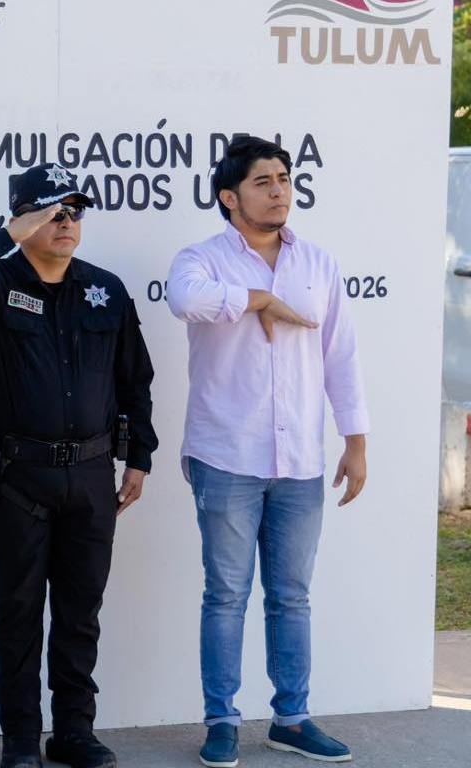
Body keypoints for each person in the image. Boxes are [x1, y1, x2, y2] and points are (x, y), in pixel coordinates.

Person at [0, 163, 157, 768]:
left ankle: (74, 730)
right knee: (20, 608)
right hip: (19, 476)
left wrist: (139, 457)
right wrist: (8, 235)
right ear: (25, 217)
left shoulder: (104, 288)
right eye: (54, 211)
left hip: (92, 474)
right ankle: (22, 737)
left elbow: (136, 379)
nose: (67, 222)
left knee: (82, 609)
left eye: (76, 211)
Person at [167, 136, 368, 767]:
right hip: (226, 453)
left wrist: (355, 441)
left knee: (292, 596)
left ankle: (292, 718)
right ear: (230, 197)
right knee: (226, 593)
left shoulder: (318, 264)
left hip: (302, 459)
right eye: (263, 181)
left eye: (284, 177)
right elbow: (183, 300)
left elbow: (342, 357)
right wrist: (255, 298)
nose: (279, 189)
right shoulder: (201, 258)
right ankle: (222, 720)